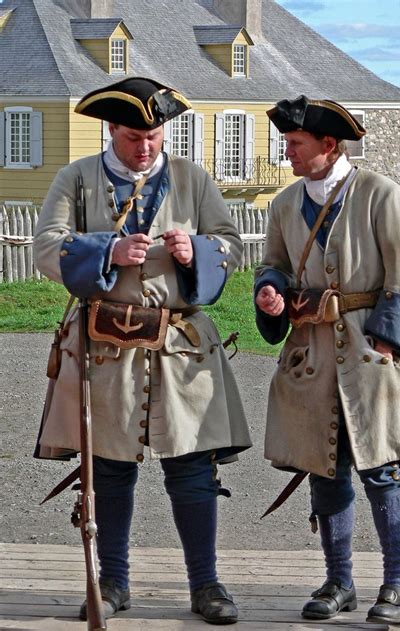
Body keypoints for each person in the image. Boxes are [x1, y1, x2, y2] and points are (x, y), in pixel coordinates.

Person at [33, 76, 252, 625]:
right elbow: (45, 246)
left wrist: (195, 250)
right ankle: (113, 582)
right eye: (134, 136)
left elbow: (230, 243)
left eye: (154, 134)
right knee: (107, 470)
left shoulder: (193, 179)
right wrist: (109, 249)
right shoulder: (76, 177)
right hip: (104, 347)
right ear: (112, 130)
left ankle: (206, 585)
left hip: (181, 347)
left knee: (193, 469)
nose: (146, 146)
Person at [254, 96, 400, 624]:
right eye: (287, 143)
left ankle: (399, 586)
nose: (286, 152)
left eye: (295, 144)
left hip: (372, 356)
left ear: (329, 146)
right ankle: (339, 583)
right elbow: (274, 267)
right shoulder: (285, 205)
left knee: (385, 472)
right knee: (324, 470)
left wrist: (388, 346)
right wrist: (270, 293)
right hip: (312, 356)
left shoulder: (382, 195)